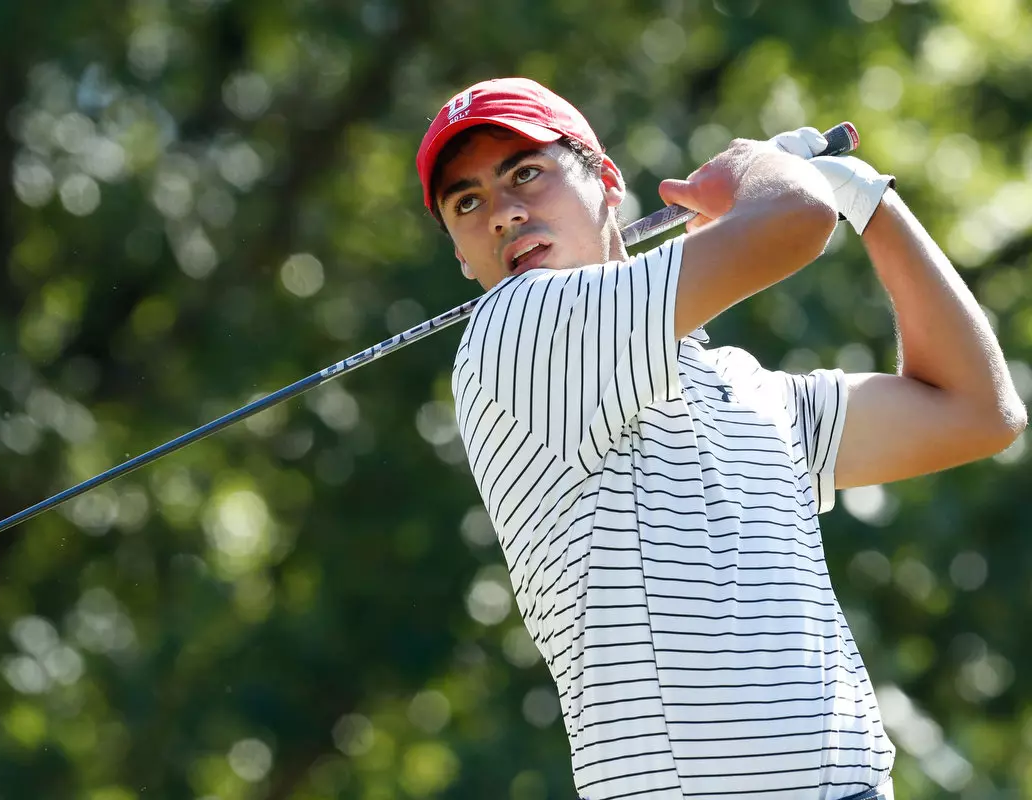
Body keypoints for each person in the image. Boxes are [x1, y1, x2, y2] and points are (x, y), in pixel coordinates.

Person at [415, 77, 1026, 800]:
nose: (504, 214)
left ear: (607, 182)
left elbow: (976, 411)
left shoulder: (745, 387)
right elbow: (792, 221)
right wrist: (759, 176)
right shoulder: (514, 333)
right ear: (460, 251)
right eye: (468, 201)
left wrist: (870, 201)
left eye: (527, 173)